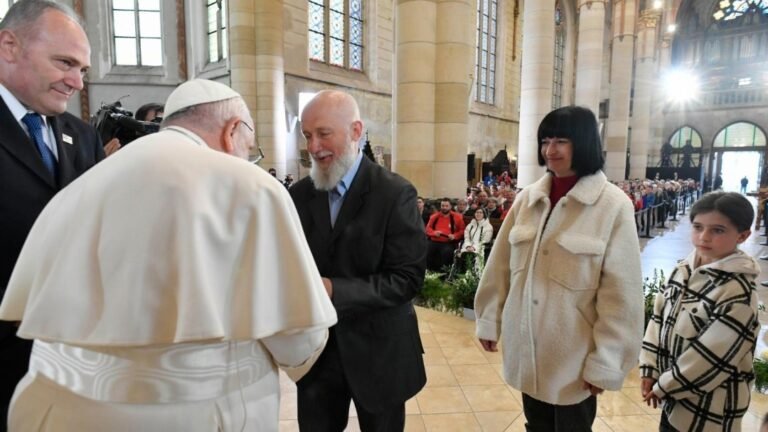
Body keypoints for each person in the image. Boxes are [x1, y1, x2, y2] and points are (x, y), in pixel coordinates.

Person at [0, 79, 337, 431]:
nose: (245, 157)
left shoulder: (84, 184)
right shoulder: (248, 186)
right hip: (196, 409)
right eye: (248, 147)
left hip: (63, 406)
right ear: (232, 130)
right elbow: (295, 335)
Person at [474, 106, 643, 432]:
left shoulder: (612, 205)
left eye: (561, 141)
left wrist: (606, 360)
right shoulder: (528, 199)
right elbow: (499, 266)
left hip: (573, 357)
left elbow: (621, 296)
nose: (550, 150)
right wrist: (489, 319)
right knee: (535, 425)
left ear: (583, 143)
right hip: (527, 349)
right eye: (545, 140)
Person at [289, 90, 427, 431]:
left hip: (380, 352)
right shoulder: (298, 195)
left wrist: (334, 289)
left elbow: (406, 280)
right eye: (307, 135)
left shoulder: (395, 193)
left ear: (355, 131)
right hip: (317, 357)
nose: (314, 147)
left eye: (323, 133)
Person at [0, 1, 105, 428]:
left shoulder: (81, 137)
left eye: (82, 69)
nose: (76, 82)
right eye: (65, 63)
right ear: (9, 46)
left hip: (71, 361)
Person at [639, 192, 759, 432]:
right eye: (698, 227)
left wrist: (664, 386)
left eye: (718, 230)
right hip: (673, 397)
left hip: (710, 407)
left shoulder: (737, 290)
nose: (704, 237)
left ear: (743, 235)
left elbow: (710, 359)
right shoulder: (683, 268)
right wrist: (649, 368)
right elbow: (658, 319)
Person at [425, 198, 465, 271]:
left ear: (450, 207)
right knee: (426, 250)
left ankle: (444, 273)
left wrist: (454, 236)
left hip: (449, 242)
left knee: (446, 253)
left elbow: (462, 231)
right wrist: (434, 233)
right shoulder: (434, 216)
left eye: (446, 206)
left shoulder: (457, 217)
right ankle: (429, 272)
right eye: (442, 206)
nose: (444, 208)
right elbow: (427, 229)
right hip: (434, 240)